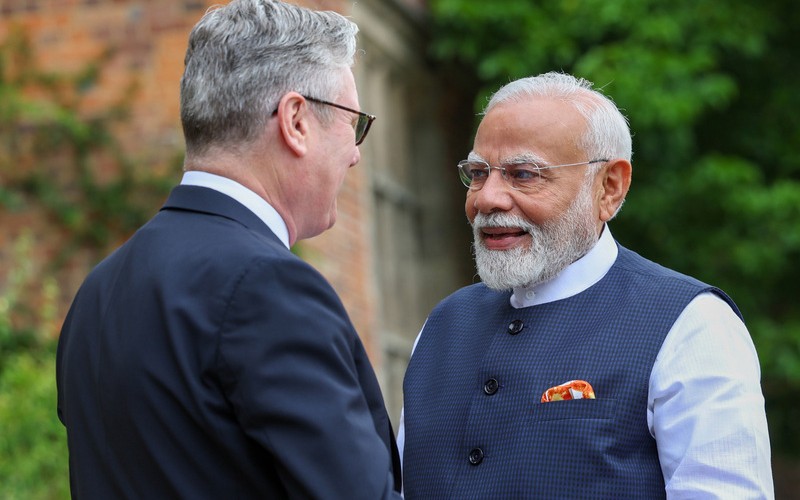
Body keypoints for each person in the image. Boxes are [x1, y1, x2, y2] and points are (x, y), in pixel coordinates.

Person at [56, 0, 402, 498]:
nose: (355, 154)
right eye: (354, 123)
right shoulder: (268, 287)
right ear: (296, 121)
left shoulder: (98, 291)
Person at [399, 72, 773, 498]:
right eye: (479, 173)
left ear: (609, 187)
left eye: (523, 174)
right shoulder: (442, 325)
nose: (487, 198)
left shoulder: (691, 324)